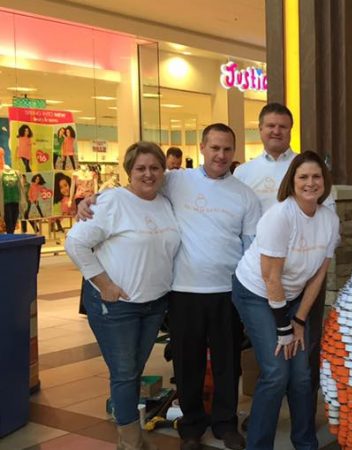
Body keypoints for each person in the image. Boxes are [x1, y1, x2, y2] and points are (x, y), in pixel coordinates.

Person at [79, 124, 261, 450]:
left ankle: (225, 423)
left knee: (227, 362)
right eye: (214, 148)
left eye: (227, 149)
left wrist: (247, 295)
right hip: (182, 291)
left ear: (234, 153)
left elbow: (249, 247)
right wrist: (95, 199)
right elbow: (136, 188)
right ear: (202, 148)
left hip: (226, 292)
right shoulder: (176, 180)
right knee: (186, 362)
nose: (220, 155)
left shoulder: (244, 195)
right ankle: (190, 426)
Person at [65, 142, 180, 450]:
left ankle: (131, 430)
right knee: (125, 372)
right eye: (141, 168)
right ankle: (130, 442)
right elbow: (75, 243)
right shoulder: (112, 201)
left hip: (155, 304)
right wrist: (105, 285)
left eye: (155, 168)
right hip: (117, 307)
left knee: (133, 370)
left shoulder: (165, 201)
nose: (148, 174)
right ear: (129, 171)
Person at [234, 102, 336, 425]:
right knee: (277, 368)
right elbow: (269, 274)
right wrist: (283, 326)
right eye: (270, 126)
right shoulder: (245, 173)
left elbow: (321, 264)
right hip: (262, 279)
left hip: (298, 281)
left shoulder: (308, 171)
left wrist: (300, 319)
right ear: (260, 129)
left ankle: (302, 431)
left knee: (303, 366)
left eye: (283, 126)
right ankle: (261, 428)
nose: (309, 183)